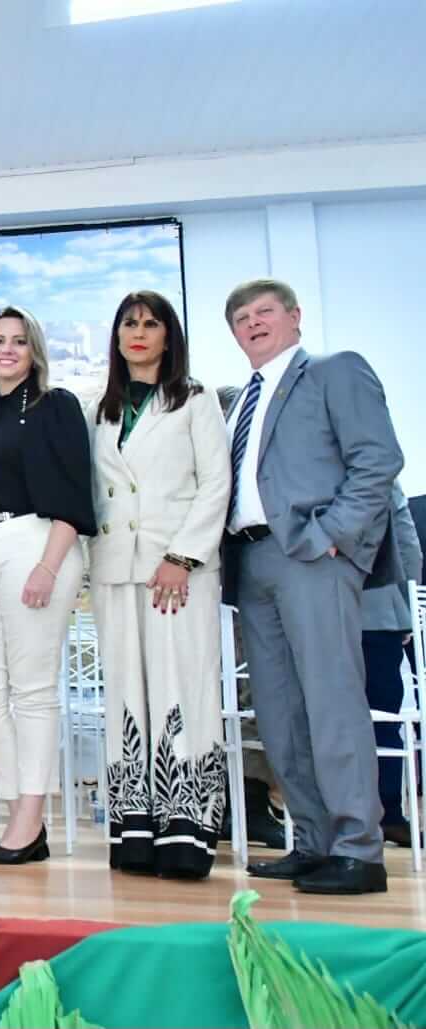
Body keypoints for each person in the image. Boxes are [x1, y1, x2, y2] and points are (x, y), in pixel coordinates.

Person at [222, 278, 403, 895]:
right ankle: (314, 841)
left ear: (295, 317)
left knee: (332, 702)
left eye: (264, 311)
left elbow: (378, 459)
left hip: (311, 556)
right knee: (279, 714)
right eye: (241, 318)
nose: (253, 323)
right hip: (250, 562)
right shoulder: (237, 401)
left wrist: (333, 535)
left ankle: (359, 849)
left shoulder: (333, 370)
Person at [89, 291, 230, 879]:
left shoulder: (194, 399)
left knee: (181, 690)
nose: (139, 333)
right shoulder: (100, 408)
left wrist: (183, 555)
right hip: (115, 570)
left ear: (168, 336)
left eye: (150, 324)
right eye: (129, 324)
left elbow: (216, 483)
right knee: (127, 696)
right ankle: (135, 835)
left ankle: (187, 837)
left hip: (177, 572)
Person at [0, 306, 95, 864]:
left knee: (32, 690)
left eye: (18, 340)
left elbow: (74, 492)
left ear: (34, 350)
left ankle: (28, 818)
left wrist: (49, 566)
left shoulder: (56, 405)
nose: (6, 349)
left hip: (35, 542)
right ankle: (21, 810)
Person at [212, 384, 288, 851]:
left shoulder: (259, 471)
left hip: (247, 588)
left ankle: (253, 802)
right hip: (202, 586)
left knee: (253, 693)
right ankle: (230, 803)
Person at [361, 484, 421, 850]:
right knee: (384, 718)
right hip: (379, 610)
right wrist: (407, 610)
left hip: (317, 614)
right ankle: (389, 813)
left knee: (327, 719)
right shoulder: (382, 476)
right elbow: (407, 542)